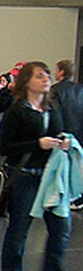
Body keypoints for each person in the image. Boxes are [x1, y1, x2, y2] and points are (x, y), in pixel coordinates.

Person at [0, 62, 76, 271]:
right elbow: (6, 148)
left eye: (47, 76)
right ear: (27, 81)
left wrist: (63, 140)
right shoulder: (17, 111)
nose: (46, 80)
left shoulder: (53, 107)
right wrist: (37, 144)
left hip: (50, 177)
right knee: (19, 229)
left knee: (60, 228)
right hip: (25, 176)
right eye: (40, 76)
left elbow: (60, 131)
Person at [52, 59, 83, 211]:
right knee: (77, 168)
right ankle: (78, 197)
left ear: (61, 72)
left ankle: (61, 197)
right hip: (79, 135)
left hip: (62, 134)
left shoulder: (55, 91)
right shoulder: (80, 90)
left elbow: (54, 114)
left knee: (61, 169)